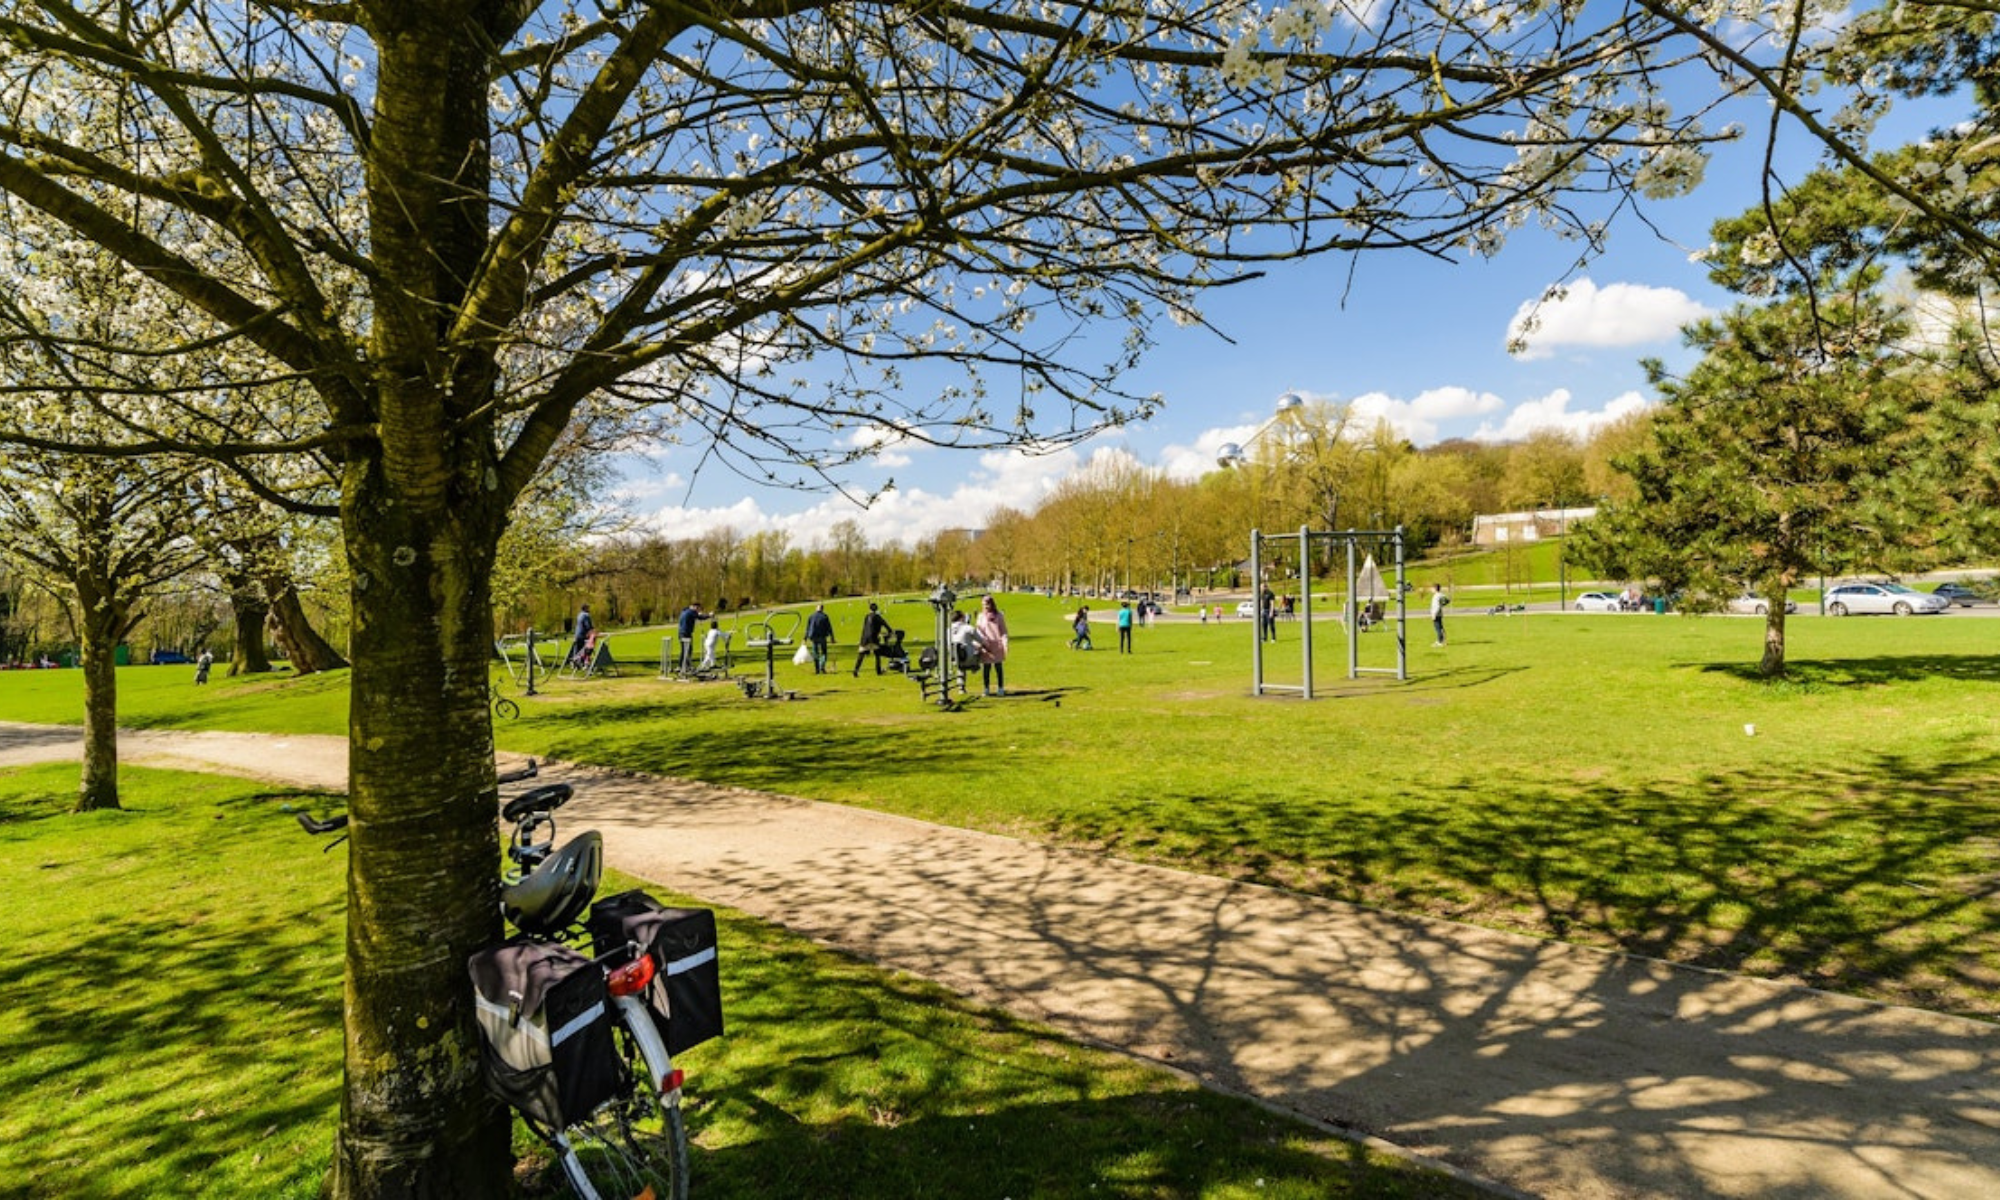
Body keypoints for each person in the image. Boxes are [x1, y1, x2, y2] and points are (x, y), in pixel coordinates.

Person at [975, 594, 1009, 695]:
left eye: (986, 605)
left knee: (998, 667)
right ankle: (986, 689)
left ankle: (1001, 688)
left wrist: (1005, 643)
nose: (985, 607)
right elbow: (979, 631)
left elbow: (1003, 630)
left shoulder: (999, 615)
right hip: (986, 644)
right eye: (983, 605)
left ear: (991, 604)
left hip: (997, 644)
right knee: (986, 668)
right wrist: (982, 643)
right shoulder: (981, 616)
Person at [853, 601, 890, 676]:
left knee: (861, 655)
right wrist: (890, 631)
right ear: (876, 609)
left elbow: (865, 628)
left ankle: (856, 670)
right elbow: (885, 624)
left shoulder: (866, 616)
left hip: (864, 639)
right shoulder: (877, 616)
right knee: (877, 654)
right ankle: (878, 671)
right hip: (873, 638)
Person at [676, 602, 707, 673]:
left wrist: (697, 615)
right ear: (695, 607)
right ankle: (687, 666)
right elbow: (700, 617)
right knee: (688, 650)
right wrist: (709, 615)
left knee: (684, 650)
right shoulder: (692, 612)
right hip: (686, 633)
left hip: (681, 633)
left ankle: (681, 666)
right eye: (698, 609)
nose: (698, 610)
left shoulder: (684, 611)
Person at [804, 603, 835, 674]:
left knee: (815, 653)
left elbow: (808, 628)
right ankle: (822, 666)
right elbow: (829, 628)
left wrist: (805, 638)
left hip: (813, 637)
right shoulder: (825, 617)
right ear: (822, 609)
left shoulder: (811, 616)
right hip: (822, 636)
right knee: (824, 652)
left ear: (816, 608)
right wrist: (832, 637)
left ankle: (817, 669)